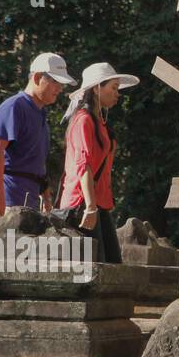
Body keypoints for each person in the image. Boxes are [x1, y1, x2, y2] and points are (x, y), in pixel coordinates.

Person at [59, 63, 140, 263]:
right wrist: (90, 207)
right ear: (97, 88)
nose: (117, 93)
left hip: (99, 202)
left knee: (112, 263)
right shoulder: (83, 120)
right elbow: (83, 166)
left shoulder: (99, 123)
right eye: (113, 87)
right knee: (93, 267)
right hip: (83, 203)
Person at [0, 53, 78, 216]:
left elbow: (35, 160)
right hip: (7, 202)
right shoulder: (14, 106)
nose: (60, 89)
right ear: (37, 77)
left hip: (30, 203)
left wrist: (45, 195)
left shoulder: (41, 113)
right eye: (56, 82)